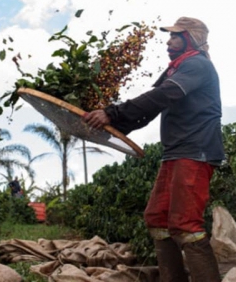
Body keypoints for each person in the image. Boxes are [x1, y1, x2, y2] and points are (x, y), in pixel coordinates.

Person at [83, 17, 224, 282]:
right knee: (157, 218)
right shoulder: (177, 69)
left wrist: (112, 113)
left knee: (185, 224)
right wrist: (114, 124)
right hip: (175, 152)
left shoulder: (196, 65)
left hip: (196, 151)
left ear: (190, 38)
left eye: (174, 36)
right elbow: (150, 110)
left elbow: (161, 96)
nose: (168, 42)